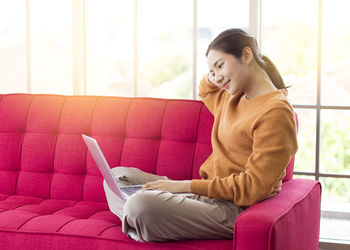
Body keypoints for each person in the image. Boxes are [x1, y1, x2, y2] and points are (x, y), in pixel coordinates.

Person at [103, 28, 298, 243]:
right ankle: (141, 221)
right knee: (115, 177)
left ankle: (141, 218)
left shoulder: (276, 112)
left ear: (247, 55)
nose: (216, 77)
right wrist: (216, 71)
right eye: (212, 71)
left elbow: (254, 188)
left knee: (142, 205)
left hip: (235, 209)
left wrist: (183, 186)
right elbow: (205, 90)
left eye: (220, 65)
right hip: (206, 196)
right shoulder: (231, 96)